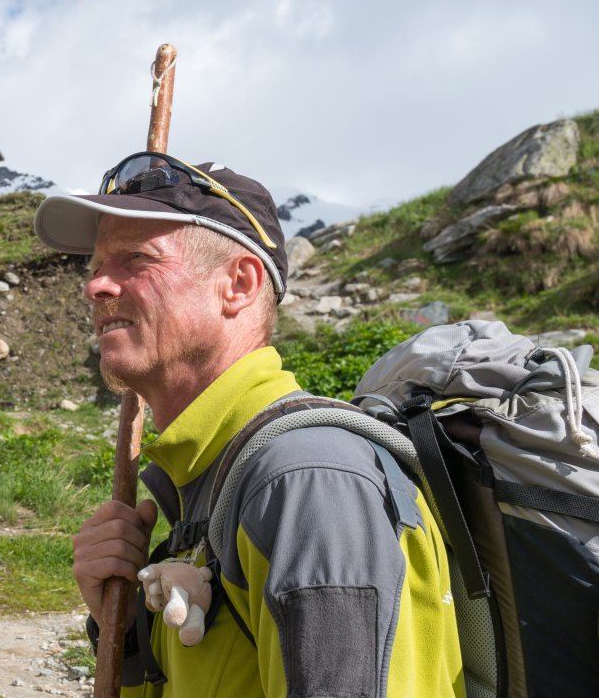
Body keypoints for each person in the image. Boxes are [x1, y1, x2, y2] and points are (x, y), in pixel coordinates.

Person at [36, 153, 464, 696]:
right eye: (96, 265)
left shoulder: (306, 480)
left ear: (237, 283)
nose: (95, 286)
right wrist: (122, 630)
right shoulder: (207, 475)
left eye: (136, 259)